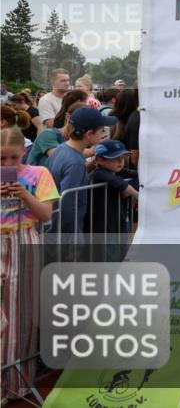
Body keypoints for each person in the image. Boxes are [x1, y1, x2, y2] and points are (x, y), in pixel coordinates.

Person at [1, 126, 58, 399]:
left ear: (23, 152)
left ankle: (15, 385)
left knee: (22, 316)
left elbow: (46, 215)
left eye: (13, 157)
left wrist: (24, 194)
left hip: (26, 241)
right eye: (1, 159)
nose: (8, 164)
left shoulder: (39, 174)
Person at [47, 107, 117, 242]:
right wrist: (75, 238)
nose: (103, 134)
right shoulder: (75, 162)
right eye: (101, 130)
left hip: (52, 229)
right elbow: (67, 203)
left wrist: (89, 167)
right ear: (89, 133)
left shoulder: (61, 149)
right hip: (63, 235)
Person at [88, 139, 139, 258]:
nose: (120, 161)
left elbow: (137, 175)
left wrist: (130, 190)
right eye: (114, 158)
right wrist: (136, 194)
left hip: (119, 225)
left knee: (122, 257)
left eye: (122, 157)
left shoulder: (119, 171)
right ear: (99, 160)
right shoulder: (98, 173)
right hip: (103, 229)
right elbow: (118, 183)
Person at [27, 102, 86, 167]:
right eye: (80, 119)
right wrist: (92, 151)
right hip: (35, 176)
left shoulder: (79, 139)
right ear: (68, 117)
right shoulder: (47, 134)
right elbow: (60, 156)